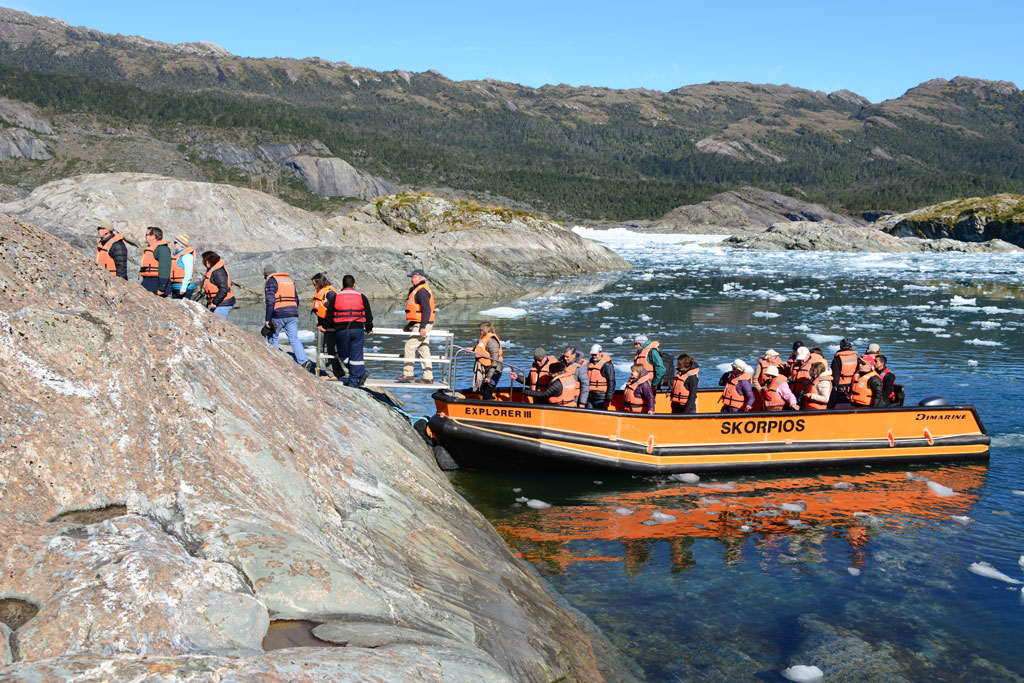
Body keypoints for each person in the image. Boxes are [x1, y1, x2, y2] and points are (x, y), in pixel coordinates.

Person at [263, 266, 312, 370]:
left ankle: (276, 362)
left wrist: (268, 319)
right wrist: (292, 310)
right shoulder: (289, 280)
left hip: (278, 313)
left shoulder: (271, 281)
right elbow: (297, 299)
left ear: (267, 275)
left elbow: (270, 301)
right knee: (294, 338)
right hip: (293, 313)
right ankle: (304, 362)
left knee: (272, 336)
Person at [333, 274, 374, 387]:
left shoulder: (336, 297)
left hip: (341, 330)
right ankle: (359, 374)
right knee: (356, 356)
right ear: (354, 284)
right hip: (357, 329)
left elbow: (330, 314)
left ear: (342, 285)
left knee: (342, 355)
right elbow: (368, 314)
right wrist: (369, 328)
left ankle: (354, 380)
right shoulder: (361, 296)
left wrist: (325, 326)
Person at [398, 269, 434, 384]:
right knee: (423, 349)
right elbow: (417, 312)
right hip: (421, 323)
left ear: (419, 278)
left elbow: (427, 310)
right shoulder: (417, 290)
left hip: (423, 325)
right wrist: (410, 324)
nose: (411, 280)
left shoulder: (422, 291)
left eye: (413, 277)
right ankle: (428, 377)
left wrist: (422, 327)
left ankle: (408, 374)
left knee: (409, 346)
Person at [310, 273, 345, 380]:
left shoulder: (330, 294)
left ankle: (332, 373)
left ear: (320, 283)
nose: (314, 287)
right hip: (328, 326)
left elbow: (335, 308)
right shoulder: (324, 293)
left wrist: (326, 304)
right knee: (329, 349)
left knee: (328, 349)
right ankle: (338, 372)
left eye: (315, 284)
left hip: (331, 326)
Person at [511, 362, 577, 406]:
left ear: (556, 373)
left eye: (551, 373)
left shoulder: (557, 383)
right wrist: (517, 377)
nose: (550, 375)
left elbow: (544, 394)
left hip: (559, 407)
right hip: (570, 405)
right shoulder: (569, 378)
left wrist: (525, 392)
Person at [472, 322, 503, 400]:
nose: (480, 332)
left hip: (494, 370)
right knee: (479, 392)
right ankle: (480, 405)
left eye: (481, 330)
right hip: (484, 369)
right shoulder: (484, 339)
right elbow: (481, 349)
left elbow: (495, 361)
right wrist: (471, 349)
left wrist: (489, 377)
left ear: (486, 329)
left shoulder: (492, 341)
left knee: (487, 394)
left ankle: (494, 403)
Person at [200, 251, 235, 319]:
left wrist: (214, 302)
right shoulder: (213, 270)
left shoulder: (218, 272)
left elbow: (223, 289)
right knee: (211, 320)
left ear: (208, 261)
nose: (203, 263)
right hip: (218, 302)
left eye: (203, 261)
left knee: (217, 321)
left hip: (223, 303)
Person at [139, 227, 172, 296]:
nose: (145, 236)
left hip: (157, 283)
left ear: (153, 237)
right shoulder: (150, 248)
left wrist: (162, 287)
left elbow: (165, 268)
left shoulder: (162, 249)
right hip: (148, 281)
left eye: (147, 234)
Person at [585, 344, 615, 410]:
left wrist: (608, 399)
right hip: (590, 397)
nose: (593, 356)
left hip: (601, 398)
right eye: (592, 355)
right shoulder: (590, 363)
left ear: (600, 353)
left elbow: (611, 383)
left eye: (595, 355)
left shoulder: (607, 365)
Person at [170, 234, 197, 300]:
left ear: (181, 244)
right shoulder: (175, 255)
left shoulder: (187, 256)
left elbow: (188, 273)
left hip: (184, 288)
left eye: (175, 242)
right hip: (175, 287)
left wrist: (183, 288)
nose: (174, 244)